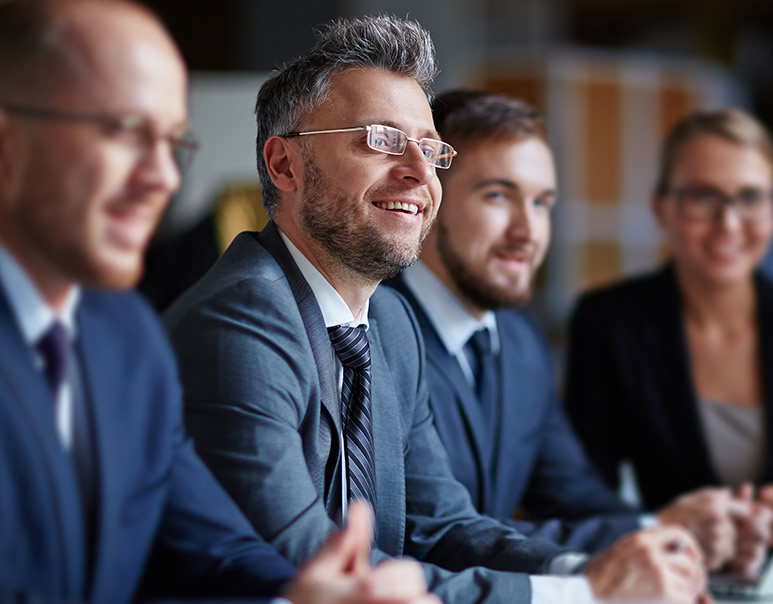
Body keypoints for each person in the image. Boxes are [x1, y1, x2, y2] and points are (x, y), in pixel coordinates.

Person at [164, 14, 708, 604]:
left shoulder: (391, 325)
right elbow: (313, 565)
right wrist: (586, 596)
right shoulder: (240, 319)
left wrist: (589, 571)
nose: (421, 174)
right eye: (381, 140)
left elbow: (442, 527)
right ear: (284, 165)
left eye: (430, 149)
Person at [0, 1, 439, 602]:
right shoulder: (233, 315)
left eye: (171, 142)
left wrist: (314, 595)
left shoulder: (121, 332)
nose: (163, 177)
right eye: (126, 133)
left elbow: (213, 549)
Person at [384, 89, 771, 575]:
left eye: (543, 203)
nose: (528, 231)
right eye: (498, 195)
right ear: (428, 195)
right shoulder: (377, 329)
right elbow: (436, 533)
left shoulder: (521, 341)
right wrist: (653, 536)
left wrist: (680, 536)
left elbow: (575, 497)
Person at [564, 108, 773, 547]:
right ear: (662, 209)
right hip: (671, 577)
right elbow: (578, 491)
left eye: (750, 198)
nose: (729, 222)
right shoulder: (610, 322)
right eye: (702, 197)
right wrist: (663, 525)